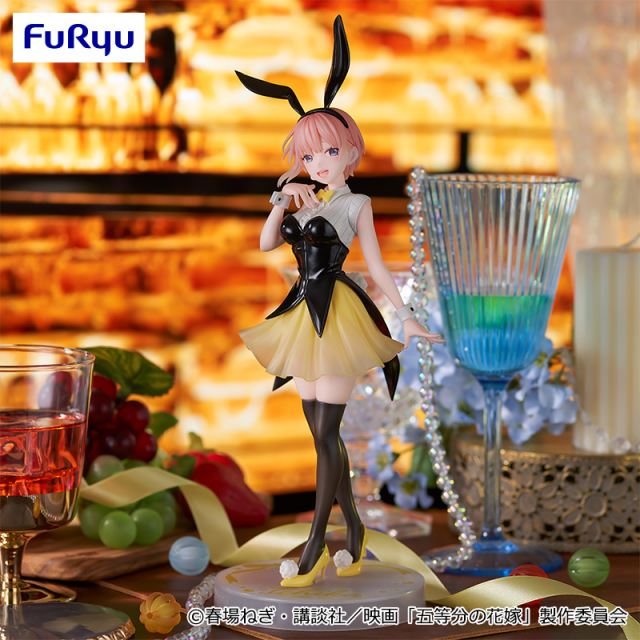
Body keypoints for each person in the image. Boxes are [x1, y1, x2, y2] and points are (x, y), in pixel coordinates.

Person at [236, 16, 443, 588]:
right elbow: (267, 243)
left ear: (352, 150)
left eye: (330, 150)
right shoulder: (305, 199)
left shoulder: (356, 205)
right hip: (302, 314)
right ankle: (353, 528)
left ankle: (315, 544)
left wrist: (405, 317)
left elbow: (375, 266)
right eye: (309, 155)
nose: (320, 162)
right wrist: (281, 198)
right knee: (319, 434)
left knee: (327, 435)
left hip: (339, 316)